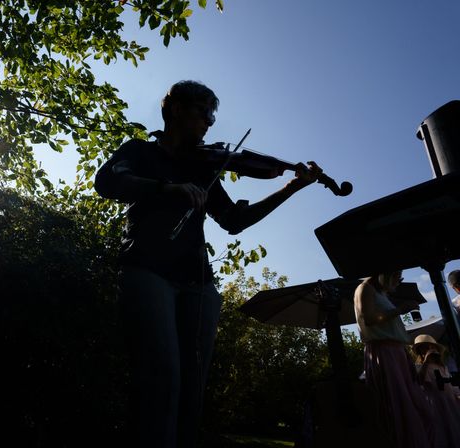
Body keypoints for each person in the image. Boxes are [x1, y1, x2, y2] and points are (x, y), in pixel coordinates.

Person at [94, 80, 322, 447]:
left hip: (197, 281)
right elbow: (107, 181)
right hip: (146, 268)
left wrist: (289, 188)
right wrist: (166, 188)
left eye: (212, 114)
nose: (210, 122)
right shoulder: (140, 151)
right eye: (205, 112)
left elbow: (234, 221)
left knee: (192, 388)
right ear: (176, 108)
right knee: (163, 377)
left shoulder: (202, 167)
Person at [354, 271, 435, 448]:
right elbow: (368, 318)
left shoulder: (382, 294)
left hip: (396, 352)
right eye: (397, 276)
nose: (399, 281)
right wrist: (400, 310)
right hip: (384, 352)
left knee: (422, 411)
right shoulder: (365, 287)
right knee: (400, 411)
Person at [413, 334, 460, 447]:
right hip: (435, 405)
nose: (429, 350)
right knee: (441, 432)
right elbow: (419, 381)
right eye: (426, 348)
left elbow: (452, 386)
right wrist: (426, 362)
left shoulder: (443, 367)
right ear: (420, 351)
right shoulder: (420, 367)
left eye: (431, 347)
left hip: (449, 402)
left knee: (454, 427)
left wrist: (458, 395)